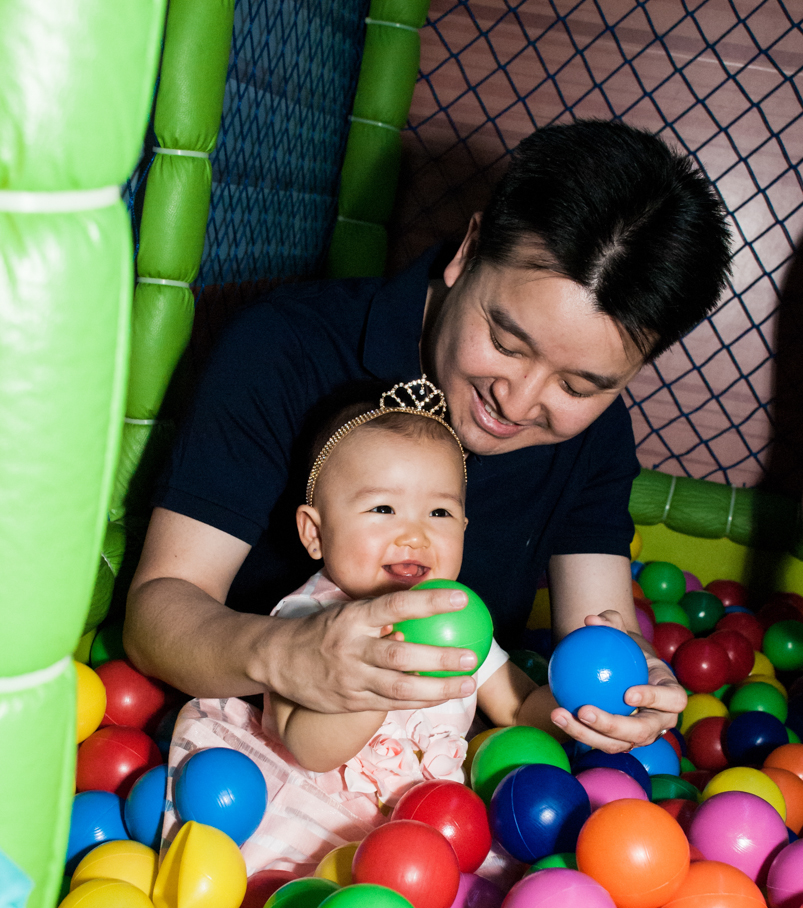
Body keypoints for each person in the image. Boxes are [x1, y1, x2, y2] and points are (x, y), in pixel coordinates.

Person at [125, 119, 733, 755]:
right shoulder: (284, 347)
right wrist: (286, 652)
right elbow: (156, 612)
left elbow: (598, 638)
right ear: (467, 252)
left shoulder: (596, 438)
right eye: (505, 342)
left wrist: (630, 691)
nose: (517, 402)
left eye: (579, 387)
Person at [163, 378, 571, 882]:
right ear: (315, 532)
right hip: (320, 818)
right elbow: (310, 747)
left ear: (465, 528)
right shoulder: (306, 618)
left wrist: (580, 702)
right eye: (383, 509)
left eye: (439, 512)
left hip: (433, 825)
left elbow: (519, 710)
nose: (414, 533)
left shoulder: (455, 619)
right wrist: (379, 676)